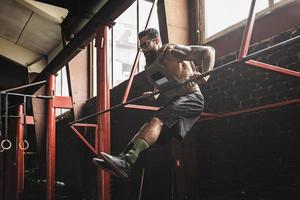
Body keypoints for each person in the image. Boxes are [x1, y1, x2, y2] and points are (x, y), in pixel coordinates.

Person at [93, 28, 215, 178]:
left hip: (192, 98)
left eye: (146, 44)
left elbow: (209, 51)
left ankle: (127, 161)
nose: (143, 49)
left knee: (158, 120)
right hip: (176, 101)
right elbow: (165, 85)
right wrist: (153, 95)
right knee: (147, 125)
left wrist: (204, 77)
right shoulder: (152, 67)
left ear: (156, 40)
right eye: (141, 46)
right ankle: (123, 160)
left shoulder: (172, 51)